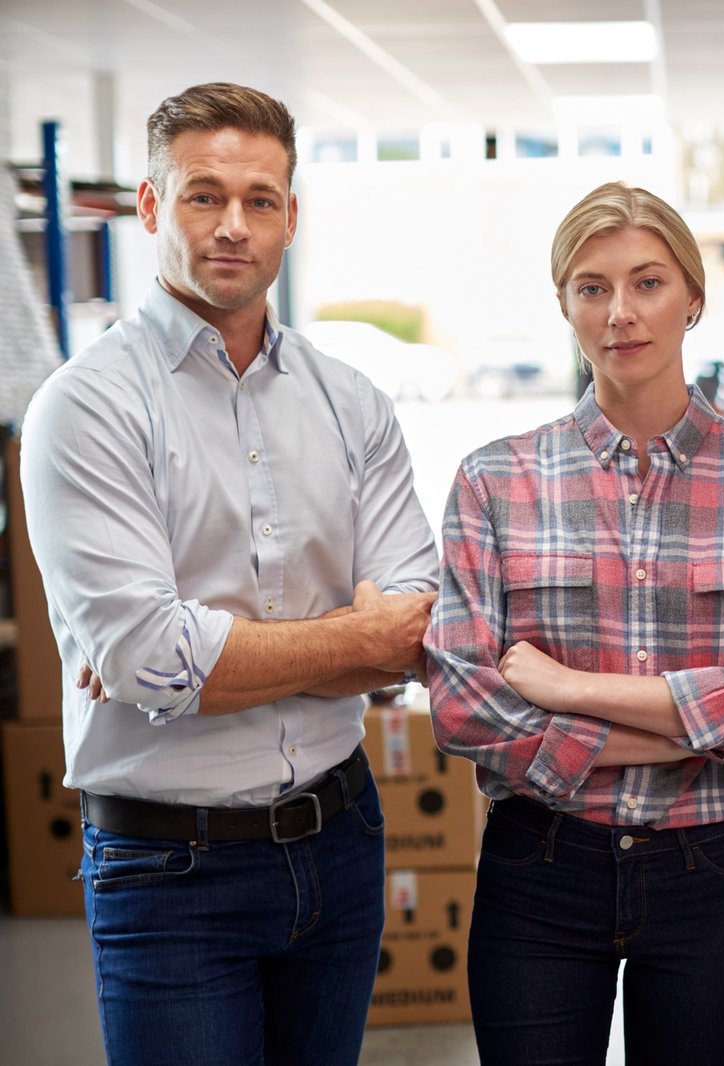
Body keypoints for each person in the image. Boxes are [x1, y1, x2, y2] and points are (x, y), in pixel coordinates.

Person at [19, 83, 439, 1066]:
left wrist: (207, 653)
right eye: (204, 195)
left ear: (291, 216)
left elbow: (416, 625)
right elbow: (148, 659)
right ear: (152, 205)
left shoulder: (353, 403)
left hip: (340, 839)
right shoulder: (85, 409)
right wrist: (354, 638)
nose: (233, 226)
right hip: (170, 868)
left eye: (260, 199)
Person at [425, 181, 724, 1066]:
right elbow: (464, 708)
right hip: (540, 868)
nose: (621, 312)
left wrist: (567, 690)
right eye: (591, 287)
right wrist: (708, 719)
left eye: (648, 282)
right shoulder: (495, 482)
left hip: (712, 875)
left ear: (693, 295)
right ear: (565, 304)